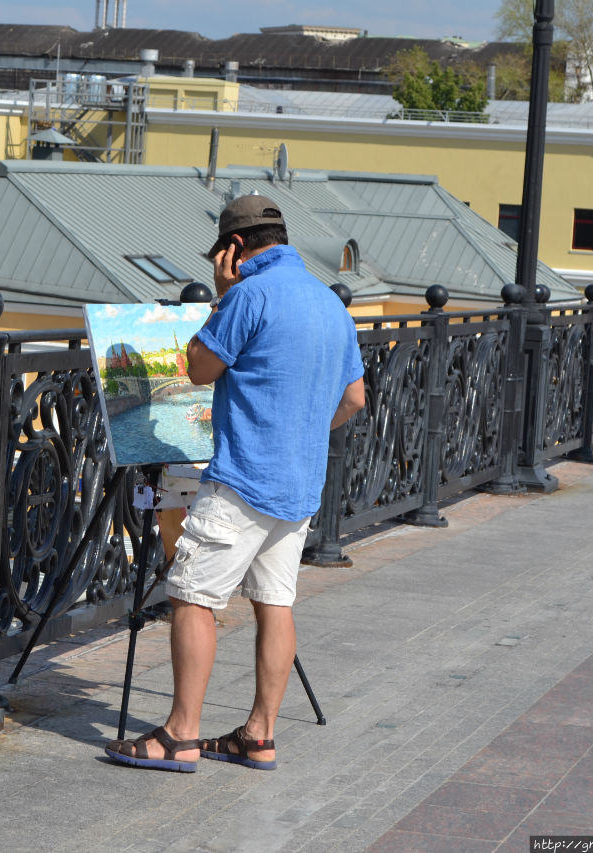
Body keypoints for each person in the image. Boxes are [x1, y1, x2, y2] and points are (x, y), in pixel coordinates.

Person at [104, 194, 365, 772]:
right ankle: (259, 734)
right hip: (299, 486)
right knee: (276, 602)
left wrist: (223, 294)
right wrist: (297, 430)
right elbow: (353, 399)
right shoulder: (330, 304)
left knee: (192, 595)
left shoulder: (247, 295)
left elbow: (198, 368)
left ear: (235, 248)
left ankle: (180, 734)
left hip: (243, 478)